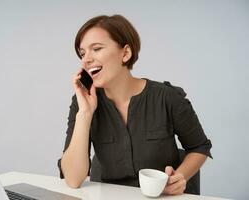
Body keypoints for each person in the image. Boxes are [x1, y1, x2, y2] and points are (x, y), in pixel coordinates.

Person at [57, 14, 212, 195]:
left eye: (96, 49)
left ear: (125, 53)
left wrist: (181, 176)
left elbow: (199, 147)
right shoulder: (83, 102)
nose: (86, 59)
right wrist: (85, 113)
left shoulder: (167, 97)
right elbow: (73, 180)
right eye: (82, 53)